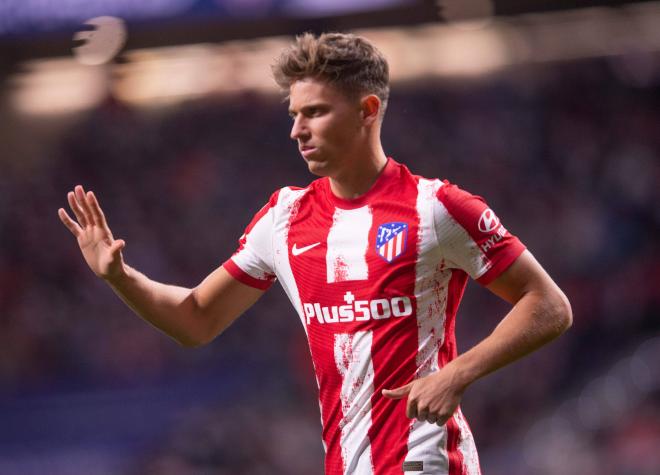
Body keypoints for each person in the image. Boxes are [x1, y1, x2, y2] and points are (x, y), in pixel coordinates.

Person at [58, 32, 572, 475]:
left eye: (315, 112)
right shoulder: (283, 219)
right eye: (294, 114)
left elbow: (548, 304)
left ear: (368, 110)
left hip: (427, 460)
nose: (296, 130)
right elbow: (195, 318)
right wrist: (120, 277)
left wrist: (458, 373)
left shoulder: (435, 207)